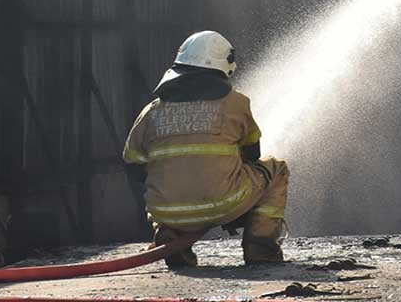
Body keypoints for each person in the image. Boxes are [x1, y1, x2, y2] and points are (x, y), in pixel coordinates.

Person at [123, 30, 289, 267]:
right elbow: (253, 155)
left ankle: (170, 239)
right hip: (226, 203)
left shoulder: (151, 112)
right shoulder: (236, 102)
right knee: (277, 169)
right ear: (225, 64)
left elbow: (134, 168)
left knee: (162, 185)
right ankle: (261, 248)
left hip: (167, 211)